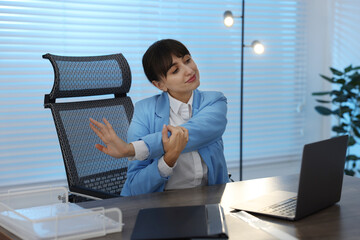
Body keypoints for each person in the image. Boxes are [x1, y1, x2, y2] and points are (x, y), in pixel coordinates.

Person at [89, 39, 229, 196]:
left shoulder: (215, 101)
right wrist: (168, 159)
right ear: (160, 85)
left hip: (210, 201)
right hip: (159, 206)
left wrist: (132, 149)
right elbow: (135, 186)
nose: (189, 71)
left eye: (188, 60)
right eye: (175, 70)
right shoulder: (144, 111)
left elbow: (194, 133)